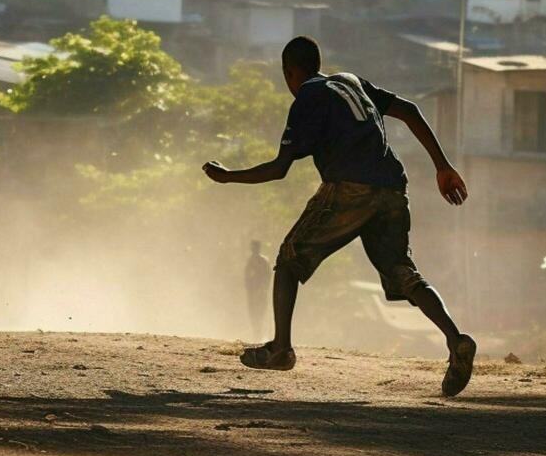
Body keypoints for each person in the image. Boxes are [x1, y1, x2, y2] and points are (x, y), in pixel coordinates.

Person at [202, 36, 478, 397]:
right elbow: (409, 109)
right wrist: (442, 167)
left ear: (289, 72)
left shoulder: (307, 98)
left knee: (289, 258)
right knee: (401, 271)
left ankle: (281, 349)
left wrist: (228, 176)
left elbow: (279, 169)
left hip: (350, 188)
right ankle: (456, 341)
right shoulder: (351, 80)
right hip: (393, 186)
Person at [244, 239, 272, 341]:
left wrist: (263, 289)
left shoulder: (263, 261)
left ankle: (258, 333)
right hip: (252, 292)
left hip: (260, 291)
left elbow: (267, 276)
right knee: (253, 312)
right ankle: (256, 333)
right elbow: (247, 277)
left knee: (260, 312)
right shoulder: (250, 261)